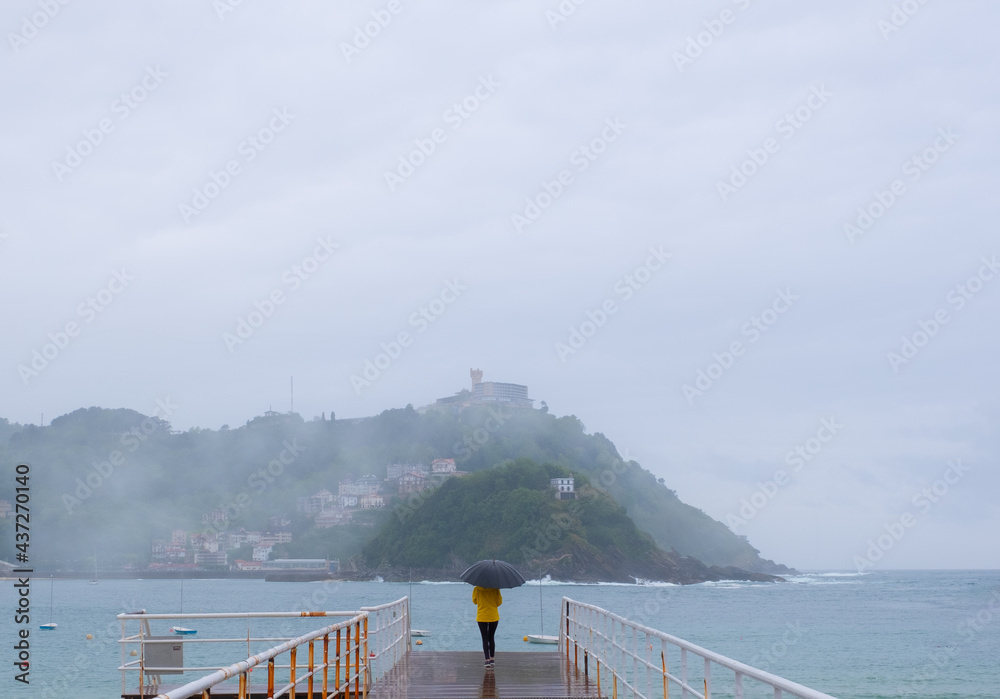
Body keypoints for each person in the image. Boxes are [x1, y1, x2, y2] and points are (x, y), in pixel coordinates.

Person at [472, 585, 502, 668]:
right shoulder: (495, 588)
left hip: (481, 616)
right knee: (491, 637)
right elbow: (499, 602)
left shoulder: (476, 589)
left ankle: (487, 660)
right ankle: (492, 659)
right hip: (493, 616)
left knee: (484, 638)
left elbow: (474, 601)